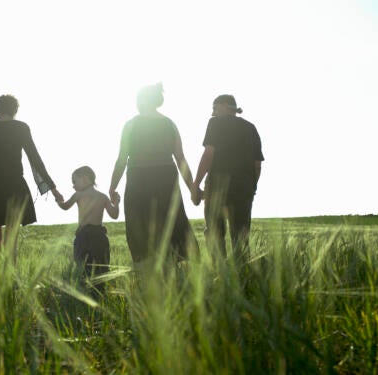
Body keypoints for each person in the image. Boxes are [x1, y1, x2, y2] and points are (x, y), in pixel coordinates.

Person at [109, 83, 199, 265]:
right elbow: (181, 159)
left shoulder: (131, 125)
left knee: (139, 225)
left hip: (139, 179)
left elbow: (121, 159)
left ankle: (146, 274)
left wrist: (112, 187)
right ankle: (175, 271)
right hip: (166, 178)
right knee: (171, 223)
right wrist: (192, 188)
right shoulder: (169, 124)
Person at [0, 95, 63, 259]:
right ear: (15, 109)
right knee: (11, 242)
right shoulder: (21, 127)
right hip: (15, 184)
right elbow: (35, 158)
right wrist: (53, 189)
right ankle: (9, 280)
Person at [192, 94, 264, 267]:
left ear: (224, 106)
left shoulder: (215, 123)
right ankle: (243, 276)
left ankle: (219, 275)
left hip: (217, 188)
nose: (212, 112)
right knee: (241, 237)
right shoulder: (251, 128)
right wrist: (252, 187)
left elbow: (208, 154)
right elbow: (257, 165)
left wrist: (196, 183)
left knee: (215, 234)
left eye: (214, 108)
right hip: (243, 190)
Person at [56, 166, 119, 292]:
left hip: (83, 236)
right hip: (99, 237)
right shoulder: (102, 196)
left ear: (85, 179)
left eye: (74, 181)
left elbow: (65, 206)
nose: (73, 186)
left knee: (82, 266)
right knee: (101, 267)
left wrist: (59, 200)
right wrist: (116, 202)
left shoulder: (78, 195)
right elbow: (115, 215)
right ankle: (100, 292)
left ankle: (85, 292)